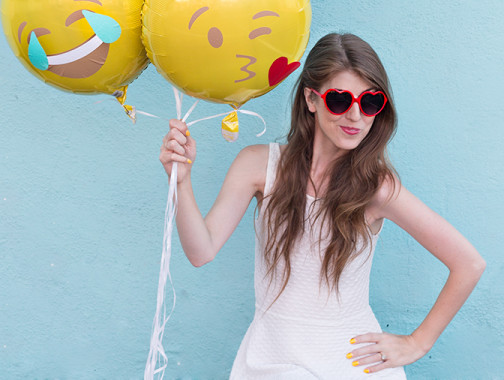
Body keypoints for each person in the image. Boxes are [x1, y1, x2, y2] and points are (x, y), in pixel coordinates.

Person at [160, 33, 485, 378]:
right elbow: (201, 251)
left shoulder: (377, 188)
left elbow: (469, 263)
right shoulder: (258, 165)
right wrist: (181, 181)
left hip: (351, 367)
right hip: (271, 362)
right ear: (311, 100)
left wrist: (417, 343)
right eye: (340, 100)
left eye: (371, 102)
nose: (356, 116)